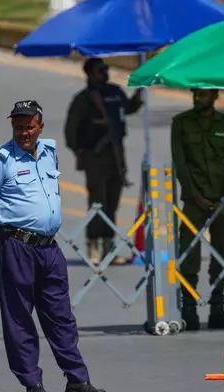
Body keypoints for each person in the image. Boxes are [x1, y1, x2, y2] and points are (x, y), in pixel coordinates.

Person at [0, 100, 106, 392]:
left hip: (49, 249)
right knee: (19, 318)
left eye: (29, 126)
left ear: (40, 126)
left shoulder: (49, 152)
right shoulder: (0, 161)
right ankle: (32, 383)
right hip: (15, 246)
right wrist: (5, 238)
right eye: (18, 127)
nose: (24, 133)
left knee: (61, 316)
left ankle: (77, 379)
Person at [171, 88, 224, 330]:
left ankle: (217, 308)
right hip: (194, 201)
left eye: (203, 94)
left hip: (223, 202)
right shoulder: (181, 124)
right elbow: (181, 164)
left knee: (220, 255)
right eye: (195, 94)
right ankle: (189, 309)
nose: (197, 98)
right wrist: (195, 196)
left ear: (214, 96)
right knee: (189, 254)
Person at [64, 57, 144, 266]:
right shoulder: (83, 99)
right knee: (97, 202)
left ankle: (109, 245)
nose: (106, 72)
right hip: (95, 157)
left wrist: (140, 93)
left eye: (106, 69)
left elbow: (128, 108)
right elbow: (70, 130)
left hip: (116, 155)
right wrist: (80, 152)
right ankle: (93, 244)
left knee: (113, 202)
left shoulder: (115, 93)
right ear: (90, 73)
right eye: (101, 70)